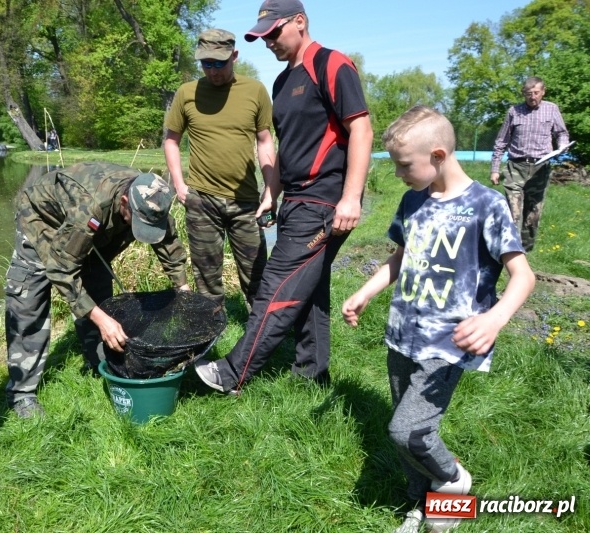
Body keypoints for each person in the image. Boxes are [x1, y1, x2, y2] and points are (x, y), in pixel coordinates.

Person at [341, 106, 535, 533]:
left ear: (440, 154)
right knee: (406, 434)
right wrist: (365, 291)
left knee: (407, 431)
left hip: (449, 344)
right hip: (402, 334)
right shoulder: (413, 200)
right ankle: (423, 504)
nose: (397, 174)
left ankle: (453, 482)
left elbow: (524, 274)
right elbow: (400, 256)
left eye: (404, 165)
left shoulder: (487, 204)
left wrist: (496, 318)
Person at [194, 0, 373, 394]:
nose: (268, 42)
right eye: (262, 36)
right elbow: (285, 145)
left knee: (276, 284)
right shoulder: (280, 82)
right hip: (294, 199)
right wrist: (271, 193)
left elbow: (360, 129)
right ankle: (311, 373)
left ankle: (232, 373)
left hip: (323, 200)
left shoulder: (331, 64)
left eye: (274, 33)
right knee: (309, 288)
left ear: (300, 22)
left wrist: (351, 197)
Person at [5, 162, 189, 418]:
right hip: (42, 220)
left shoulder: (153, 198)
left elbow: (168, 243)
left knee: (100, 294)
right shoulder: (89, 207)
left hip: (93, 230)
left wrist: (183, 289)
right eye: (139, 221)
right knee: (29, 303)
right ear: (125, 202)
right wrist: (101, 320)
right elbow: (62, 271)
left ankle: (99, 363)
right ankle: (22, 394)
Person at [163, 28, 277, 308]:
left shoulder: (255, 91)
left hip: (246, 201)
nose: (213, 71)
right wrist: (180, 186)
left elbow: (265, 142)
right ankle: (210, 332)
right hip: (201, 200)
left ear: (234, 56)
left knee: (256, 273)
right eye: (206, 63)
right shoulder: (187, 93)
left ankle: (261, 333)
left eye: (219, 63)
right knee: (207, 277)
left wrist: (271, 192)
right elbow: (171, 141)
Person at [490, 76, 570, 252]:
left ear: (543, 92)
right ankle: (510, 250)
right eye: (528, 94)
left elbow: (561, 133)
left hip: (540, 168)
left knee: (533, 214)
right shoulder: (514, 111)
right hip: (516, 167)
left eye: (535, 93)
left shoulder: (551, 109)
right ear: (523, 94)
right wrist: (495, 169)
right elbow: (501, 141)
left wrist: (563, 145)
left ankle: (525, 251)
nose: (532, 97)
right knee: (513, 211)